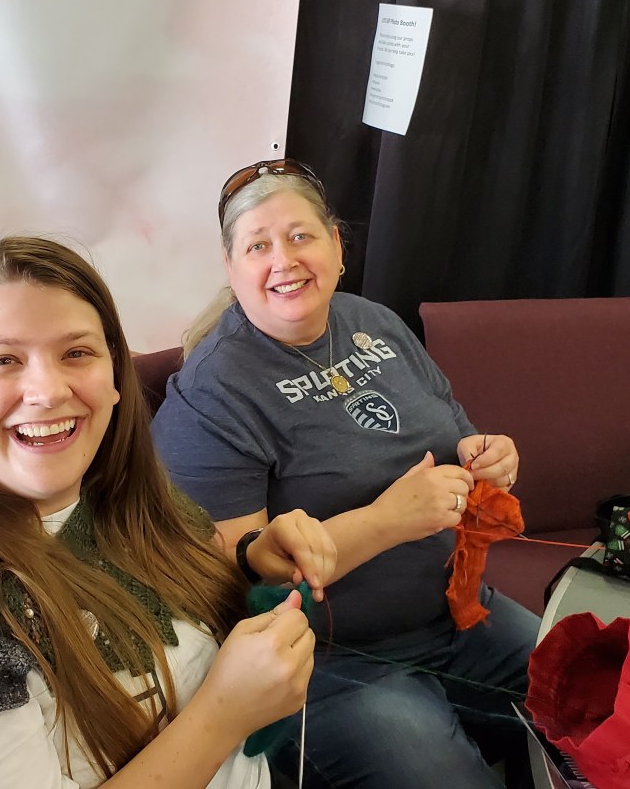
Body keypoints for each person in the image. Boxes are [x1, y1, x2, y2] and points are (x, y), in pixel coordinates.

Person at [0, 235, 338, 789]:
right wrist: (225, 716)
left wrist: (249, 564)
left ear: (115, 375)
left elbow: (166, 603)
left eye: (76, 353)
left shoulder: (106, 486)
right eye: (4, 360)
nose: (48, 391)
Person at [151, 160, 540, 789]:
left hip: (458, 618)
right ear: (231, 269)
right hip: (326, 666)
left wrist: (489, 457)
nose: (284, 259)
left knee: (616, 696)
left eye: (301, 236)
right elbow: (225, 584)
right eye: (258, 245)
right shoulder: (212, 394)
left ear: (337, 246)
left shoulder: (375, 323)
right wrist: (389, 522)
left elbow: (456, 436)